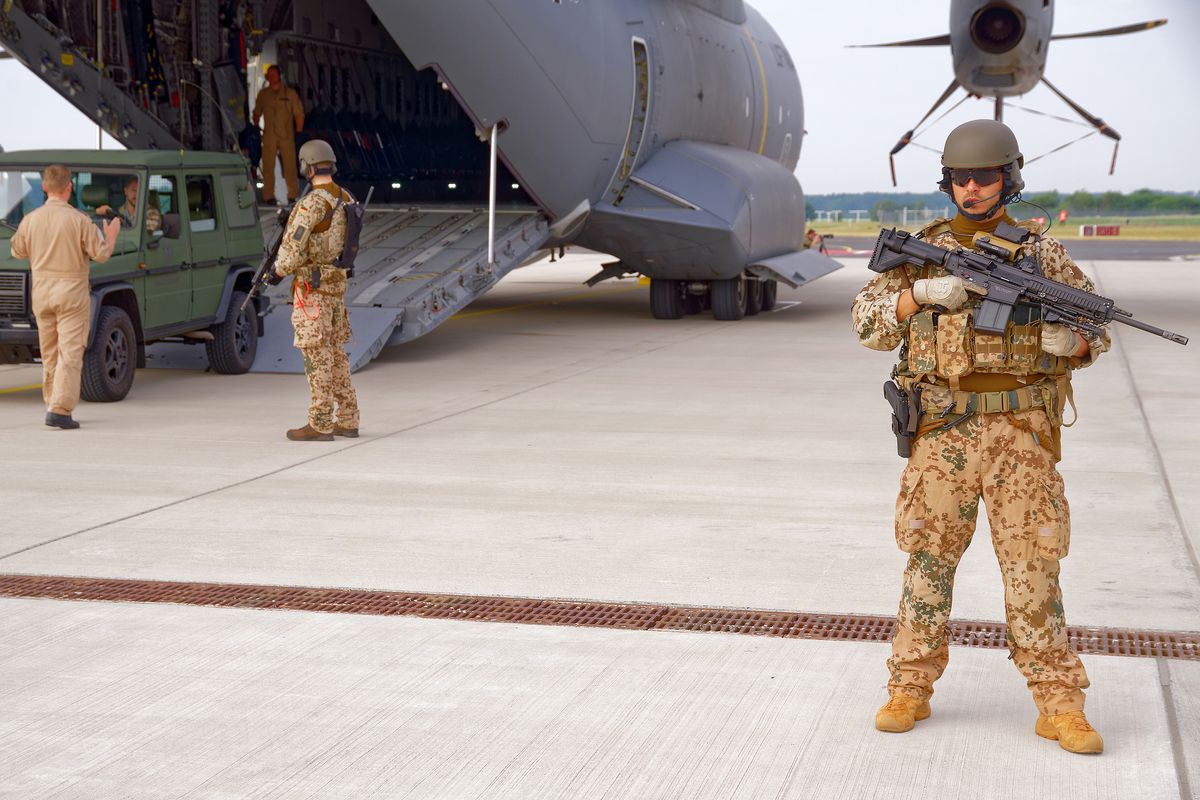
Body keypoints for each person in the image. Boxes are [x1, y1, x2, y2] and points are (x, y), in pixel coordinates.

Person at [851, 119, 1110, 754]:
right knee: (927, 562)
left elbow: (1096, 324)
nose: (972, 188)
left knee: (1034, 567)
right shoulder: (922, 248)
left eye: (985, 176)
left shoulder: (1041, 254)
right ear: (947, 183)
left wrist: (1073, 342)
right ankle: (909, 688)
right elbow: (867, 323)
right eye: (961, 178)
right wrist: (917, 296)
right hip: (942, 432)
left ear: (1009, 178)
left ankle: (1059, 703)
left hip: (1021, 434)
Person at [10, 164, 120, 429]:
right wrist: (111, 236)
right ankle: (60, 409)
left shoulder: (31, 220)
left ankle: (52, 401)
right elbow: (101, 254)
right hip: (71, 293)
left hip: (42, 293)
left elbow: (18, 251)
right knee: (70, 352)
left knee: (49, 353)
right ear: (69, 187)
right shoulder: (80, 220)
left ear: (44, 188)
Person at [272, 139, 359, 441]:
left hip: (313, 292)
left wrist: (275, 271)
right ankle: (348, 418)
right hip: (336, 289)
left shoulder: (311, 203)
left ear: (306, 166)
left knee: (317, 358)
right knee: (336, 355)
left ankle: (320, 423)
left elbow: (292, 253)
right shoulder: (346, 197)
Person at [252, 65, 305, 205]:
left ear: (279, 75)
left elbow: (299, 113)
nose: (272, 77)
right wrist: (256, 129)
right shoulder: (263, 94)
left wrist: (299, 132)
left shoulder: (290, 94)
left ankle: (292, 195)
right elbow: (256, 113)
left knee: (290, 166)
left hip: (286, 135)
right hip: (269, 135)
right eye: (269, 75)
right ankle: (268, 196)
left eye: (274, 74)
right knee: (268, 166)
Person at [96, 175, 162, 232]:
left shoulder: (152, 213)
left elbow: (138, 234)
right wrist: (102, 215)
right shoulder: (118, 211)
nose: (137, 194)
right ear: (126, 191)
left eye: (140, 190)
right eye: (134, 190)